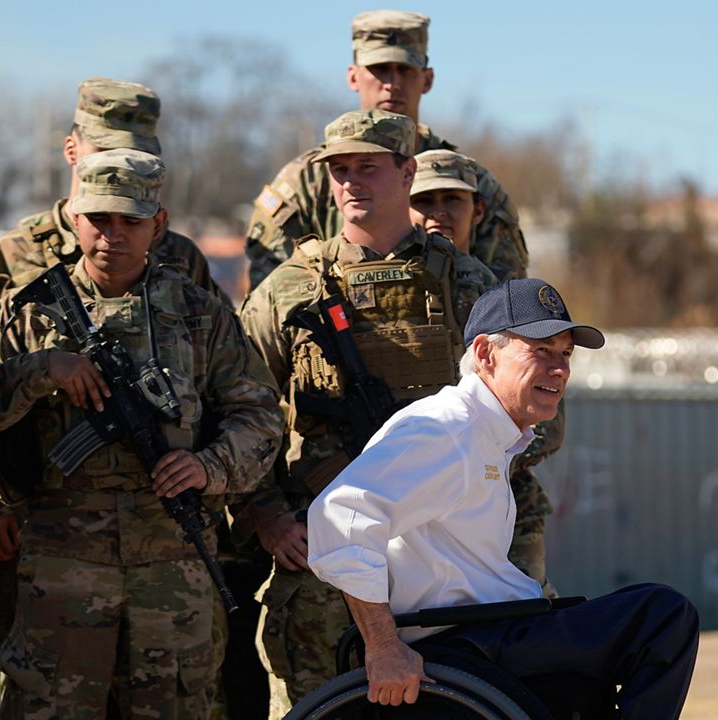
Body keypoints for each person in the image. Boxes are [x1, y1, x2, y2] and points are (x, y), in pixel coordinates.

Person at [0, 148, 284, 719]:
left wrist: (210, 466)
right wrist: (39, 371)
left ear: (158, 223)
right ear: (74, 218)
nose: (112, 234)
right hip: (61, 559)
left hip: (174, 561)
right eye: (99, 218)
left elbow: (259, 416)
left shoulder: (200, 312)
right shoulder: (26, 314)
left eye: (130, 220)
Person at [308, 278, 699, 718]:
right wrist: (383, 646)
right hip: (464, 648)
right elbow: (339, 515)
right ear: (484, 354)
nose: (560, 369)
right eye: (541, 350)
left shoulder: (487, 437)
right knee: (662, 616)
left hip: (492, 634)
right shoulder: (447, 429)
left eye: (566, 354)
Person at [236, 108, 497, 716]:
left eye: (369, 168)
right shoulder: (289, 289)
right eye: (340, 170)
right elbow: (238, 413)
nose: (352, 182)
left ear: (407, 172)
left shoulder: (467, 284)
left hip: (442, 561)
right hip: (324, 559)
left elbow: (517, 416)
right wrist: (268, 516)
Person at [244, 9, 527, 287]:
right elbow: (272, 297)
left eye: (404, 70)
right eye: (379, 70)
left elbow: (507, 296)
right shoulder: (303, 183)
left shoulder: (468, 182)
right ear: (353, 77)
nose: (392, 84)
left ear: (427, 79)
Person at [409, 148, 562, 591]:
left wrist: (483, 461)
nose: (438, 213)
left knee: (526, 632)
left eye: (452, 201)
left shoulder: (508, 300)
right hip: (416, 503)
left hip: (501, 496)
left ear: (477, 210)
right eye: (425, 201)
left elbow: (549, 422)